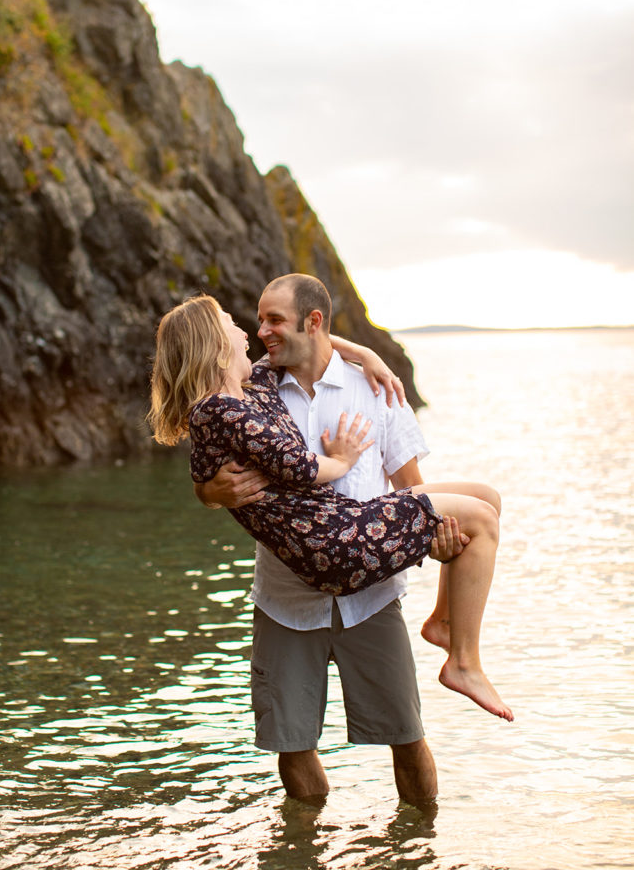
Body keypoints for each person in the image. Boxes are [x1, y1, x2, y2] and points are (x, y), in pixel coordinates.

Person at [148, 287, 514, 777]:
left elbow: (413, 488)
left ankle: (445, 624)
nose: (255, 333)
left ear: (313, 322)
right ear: (216, 347)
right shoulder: (245, 397)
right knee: (294, 745)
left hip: (364, 574)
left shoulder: (366, 387)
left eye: (272, 320)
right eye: (246, 324)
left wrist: (364, 352)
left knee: (484, 501)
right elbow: (259, 469)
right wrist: (213, 491)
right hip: (306, 575)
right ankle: (463, 660)